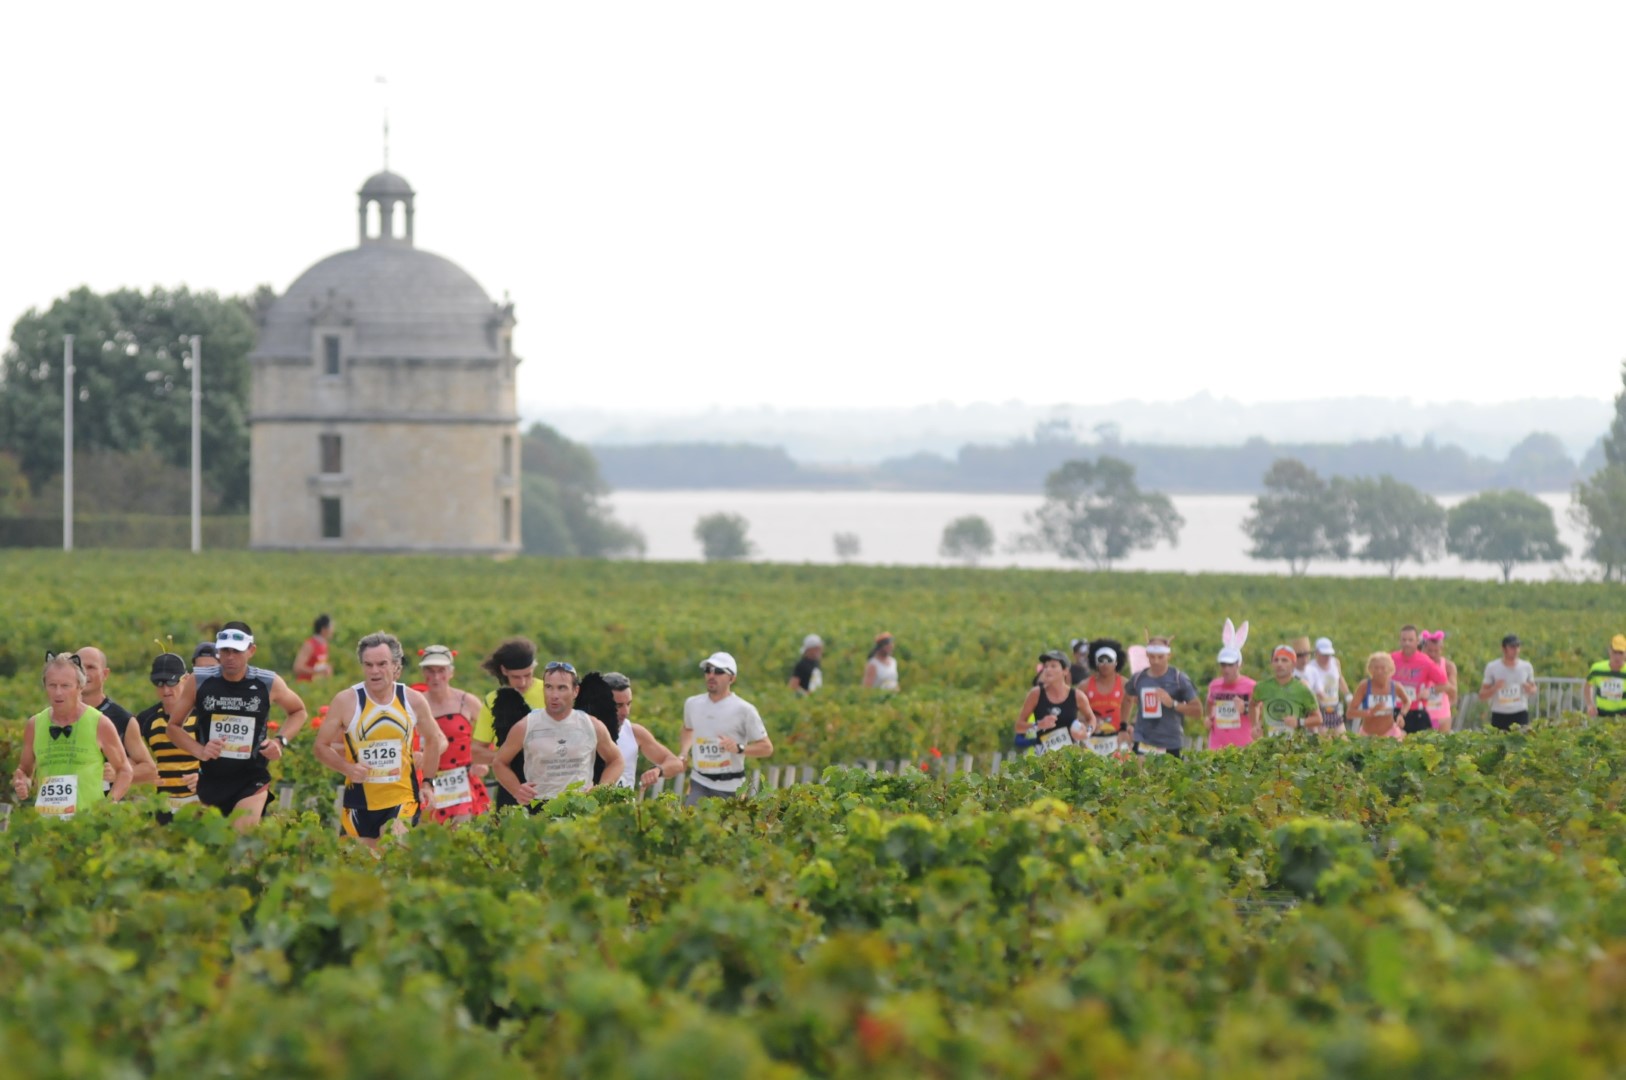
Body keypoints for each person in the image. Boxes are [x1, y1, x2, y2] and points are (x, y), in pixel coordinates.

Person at [165, 622, 308, 832]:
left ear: (251, 650)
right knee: (213, 849)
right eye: (225, 651)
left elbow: (298, 711)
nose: (230, 657)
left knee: (240, 844)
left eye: (237, 651)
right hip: (211, 779)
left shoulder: (268, 682)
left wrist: (280, 741)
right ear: (218, 651)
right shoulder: (200, 681)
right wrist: (201, 750)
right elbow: (173, 727)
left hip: (251, 778)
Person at [314, 632, 445, 844]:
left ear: (395, 665)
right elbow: (321, 746)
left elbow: (433, 740)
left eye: (382, 664)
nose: (374, 671)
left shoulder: (413, 700)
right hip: (359, 801)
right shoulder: (346, 701)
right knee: (359, 869)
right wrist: (347, 769)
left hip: (402, 798)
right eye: (368, 665)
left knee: (394, 851)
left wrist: (428, 783)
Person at [11, 653, 133, 818]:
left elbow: (125, 770)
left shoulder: (100, 723)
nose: (58, 693)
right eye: (52, 685)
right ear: (44, 686)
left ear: (80, 687)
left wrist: (109, 802)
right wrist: (22, 782)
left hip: (87, 824)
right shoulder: (35, 724)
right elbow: (25, 770)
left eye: (65, 686)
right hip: (47, 825)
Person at [492, 661, 622, 806]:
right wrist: (517, 790)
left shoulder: (592, 725)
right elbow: (499, 762)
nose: (554, 695)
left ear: (575, 691)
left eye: (562, 688)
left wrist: (601, 789)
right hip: (539, 806)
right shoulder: (525, 726)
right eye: (549, 687)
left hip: (580, 805)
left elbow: (616, 760)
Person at [680, 652, 773, 803]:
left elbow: (767, 748)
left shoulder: (745, 710)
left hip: (731, 787)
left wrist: (739, 748)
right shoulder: (692, 704)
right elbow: (687, 728)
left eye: (718, 671)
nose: (711, 675)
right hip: (699, 782)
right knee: (690, 823)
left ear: (732, 678)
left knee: (725, 826)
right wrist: (684, 752)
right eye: (708, 670)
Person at [416, 644, 490, 825]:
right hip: (427, 782)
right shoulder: (415, 704)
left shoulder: (467, 702)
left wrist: (482, 763)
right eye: (430, 671)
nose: (435, 677)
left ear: (451, 673)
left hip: (461, 782)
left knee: (463, 836)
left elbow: (488, 736)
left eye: (441, 670)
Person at [470, 638, 546, 811]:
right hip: (511, 786)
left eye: (527, 675)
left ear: (534, 667)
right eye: (516, 677)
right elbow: (475, 752)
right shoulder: (493, 701)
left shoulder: (550, 692)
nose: (523, 683)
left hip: (551, 781)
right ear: (504, 671)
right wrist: (508, 759)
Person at [75, 645, 159, 792]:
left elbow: (150, 770)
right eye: (79, 667)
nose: (84, 673)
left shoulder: (123, 719)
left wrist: (118, 773)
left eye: (91, 667)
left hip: (104, 808)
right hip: (61, 807)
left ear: (105, 674)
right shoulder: (55, 714)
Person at [133, 652, 202, 820]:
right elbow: (130, 756)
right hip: (162, 804)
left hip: (199, 802)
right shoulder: (146, 719)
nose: (165, 689)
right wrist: (143, 778)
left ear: (186, 679)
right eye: (159, 683)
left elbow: (222, 757)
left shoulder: (203, 715)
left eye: (172, 682)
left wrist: (205, 777)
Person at [598, 671, 685, 789]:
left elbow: (676, 764)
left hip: (623, 806)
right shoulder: (584, 730)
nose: (626, 712)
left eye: (628, 704)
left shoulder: (634, 732)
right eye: (618, 706)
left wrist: (658, 770)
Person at [1124, 635, 1201, 757]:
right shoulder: (1138, 678)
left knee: (1168, 775)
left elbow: (1198, 711)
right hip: (1143, 741)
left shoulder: (1179, 679)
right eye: (1152, 657)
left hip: (1171, 743)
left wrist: (1173, 704)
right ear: (1147, 655)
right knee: (1141, 775)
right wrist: (1124, 726)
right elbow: (1127, 699)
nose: (1156, 661)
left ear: (1168, 656)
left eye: (1160, 657)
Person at [1017, 650, 1097, 755]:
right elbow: (1019, 727)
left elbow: (1091, 719)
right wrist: (1039, 725)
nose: (1048, 670)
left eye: (1053, 666)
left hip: (1070, 759)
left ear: (1065, 671)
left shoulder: (1077, 696)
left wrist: (1087, 732)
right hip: (1043, 760)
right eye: (1045, 666)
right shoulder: (1035, 694)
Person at [1390, 625, 1450, 735]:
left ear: (1417, 641)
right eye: (1404, 640)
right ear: (1400, 641)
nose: (1407, 643)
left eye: (1410, 640)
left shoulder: (1425, 662)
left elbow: (1445, 684)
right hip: (1394, 711)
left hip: (1417, 713)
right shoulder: (1391, 659)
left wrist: (1430, 691)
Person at [1205, 621, 1256, 750]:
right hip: (1217, 747)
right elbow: (1209, 704)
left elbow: (1260, 715)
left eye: (1230, 665)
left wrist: (1244, 709)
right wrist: (1208, 718)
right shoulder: (1214, 686)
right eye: (1223, 665)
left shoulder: (1251, 686)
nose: (1226, 669)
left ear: (1238, 664)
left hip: (1243, 747)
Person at [1254, 644, 1324, 737]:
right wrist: (1256, 725)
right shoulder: (1263, 687)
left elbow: (1318, 719)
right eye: (1276, 660)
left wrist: (1299, 722)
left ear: (1293, 664)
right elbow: (1255, 706)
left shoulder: (1302, 687)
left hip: (1295, 746)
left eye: (1284, 660)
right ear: (1272, 664)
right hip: (1269, 745)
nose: (1279, 664)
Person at [1081, 638, 1130, 755]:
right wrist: (1085, 723)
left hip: (1118, 737)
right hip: (1092, 740)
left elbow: (1141, 706)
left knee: (1124, 770)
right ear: (1096, 663)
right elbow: (1076, 713)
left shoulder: (1125, 684)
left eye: (1109, 660)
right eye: (1101, 660)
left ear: (1116, 662)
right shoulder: (1085, 685)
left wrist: (1129, 726)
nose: (1105, 664)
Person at [1478, 633, 1537, 731]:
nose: (1516, 650)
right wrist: (1495, 688)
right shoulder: (1492, 667)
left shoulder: (1526, 666)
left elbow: (1534, 688)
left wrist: (1530, 689)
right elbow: (1482, 695)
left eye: (1518, 646)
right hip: (1499, 713)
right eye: (1512, 647)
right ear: (1503, 648)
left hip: (1520, 712)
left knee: (1521, 744)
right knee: (1498, 745)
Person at [1350, 652, 1409, 739]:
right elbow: (1350, 712)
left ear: (1389, 669)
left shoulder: (1395, 686)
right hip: (1367, 735)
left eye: (1383, 668)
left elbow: (1407, 701)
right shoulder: (1364, 686)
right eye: (1376, 668)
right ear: (1370, 669)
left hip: (1391, 734)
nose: (1379, 671)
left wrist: (1401, 715)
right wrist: (1371, 712)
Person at [1300, 638, 1351, 734]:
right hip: (1319, 710)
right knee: (1324, 741)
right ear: (1316, 653)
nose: (1327, 658)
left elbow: (1340, 679)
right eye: (1324, 655)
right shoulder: (1310, 668)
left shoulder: (1335, 662)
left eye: (1329, 655)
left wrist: (1348, 695)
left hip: (1334, 708)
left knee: (1343, 738)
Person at [1419, 629, 1459, 732]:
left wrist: (1434, 690)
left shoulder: (1448, 666)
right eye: (1429, 651)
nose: (1432, 654)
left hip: (1441, 717)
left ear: (1441, 649)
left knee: (1441, 745)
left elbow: (1453, 692)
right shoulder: (1416, 665)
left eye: (1436, 651)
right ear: (1423, 649)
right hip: (1420, 715)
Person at [1584, 635, 1626, 721]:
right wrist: (1590, 704)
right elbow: (1588, 685)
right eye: (1615, 652)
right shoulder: (1597, 669)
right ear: (1609, 651)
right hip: (1601, 716)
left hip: (1623, 717)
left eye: (1620, 653)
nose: (1617, 657)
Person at [293, 614, 335, 682]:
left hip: (316, 686)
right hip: (304, 686)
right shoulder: (309, 645)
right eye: (331, 627)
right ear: (323, 629)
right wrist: (318, 671)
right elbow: (297, 668)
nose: (332, 630)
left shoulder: (324, 644)